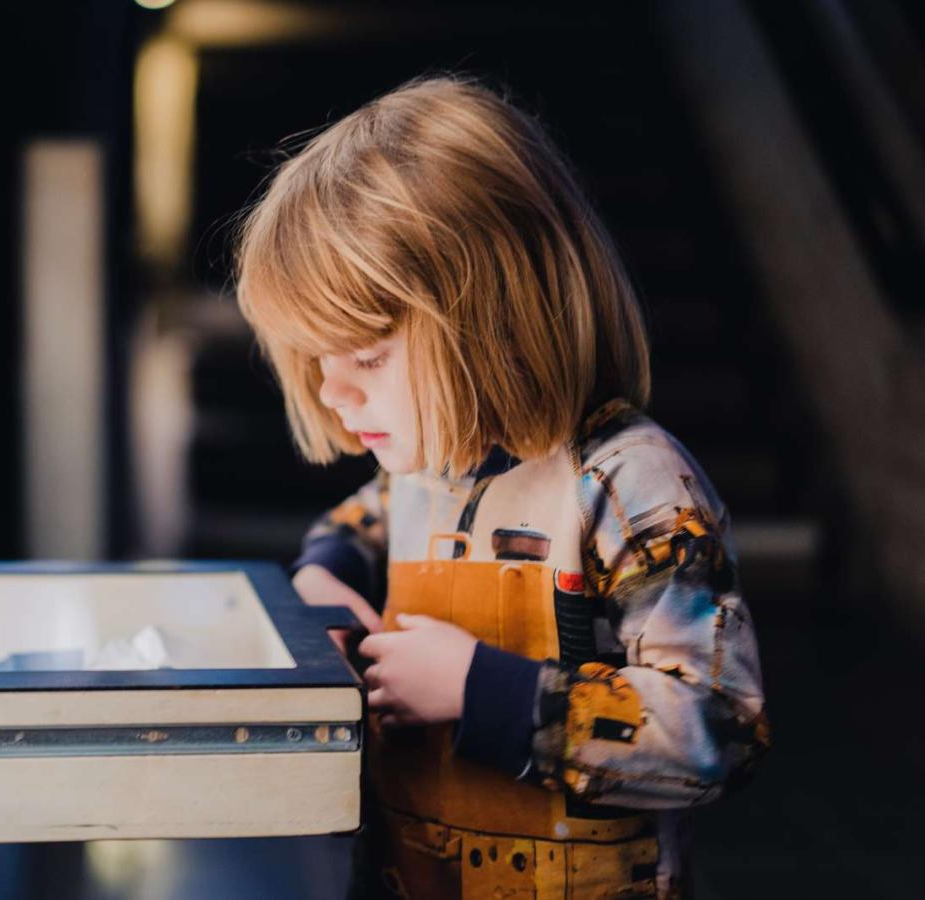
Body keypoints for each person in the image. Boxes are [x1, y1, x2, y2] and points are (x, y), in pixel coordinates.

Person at [234, 76, 770, 899]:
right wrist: (326, 577)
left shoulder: (629, 481)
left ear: (493, 320)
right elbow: (359, 522)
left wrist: (482, 691)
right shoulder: (424, 467)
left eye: (368, 358)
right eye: (317, 362)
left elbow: (718, 731)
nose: (333, 394)